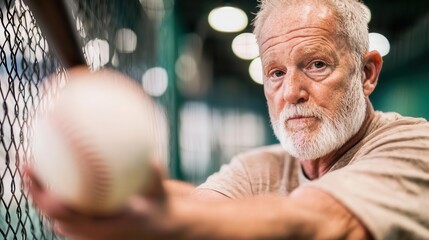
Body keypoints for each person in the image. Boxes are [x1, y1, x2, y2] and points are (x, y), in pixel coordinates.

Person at [24, 0, 429, 239]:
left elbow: (321, 223)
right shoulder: (263, 167)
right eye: (276, 73)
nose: (291, 92)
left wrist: (160, 223)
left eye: (317, 64)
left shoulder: (412, 146)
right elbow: (200, 205)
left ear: (368, 72)